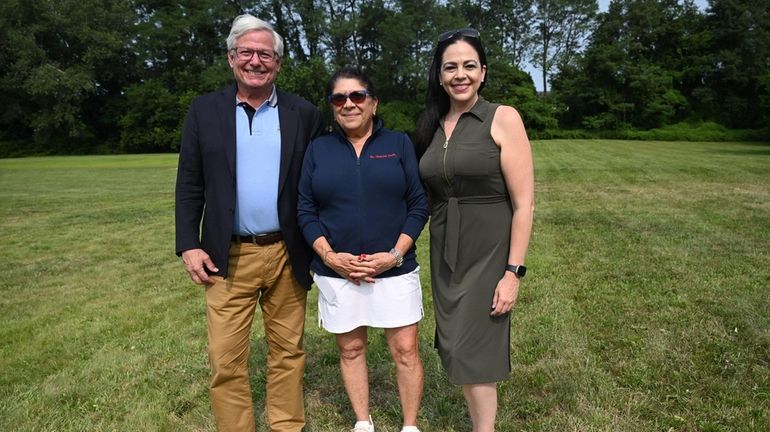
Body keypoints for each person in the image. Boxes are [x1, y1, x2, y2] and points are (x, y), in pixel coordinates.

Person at [174, 14, 322, 432]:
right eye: (246, 52)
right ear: (231, 58)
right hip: (226, 254)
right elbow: (189, 182)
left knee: (288, 351)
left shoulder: (304, 113)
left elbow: (317, 183)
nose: (255, 61)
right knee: (226, 359)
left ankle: (287, 425)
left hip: (287, 252)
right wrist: (189, 243)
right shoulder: (204, 111)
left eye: (265, 54)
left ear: (278, 62)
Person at [414, 28, 535, 432]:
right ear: (439, 75)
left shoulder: (502, 117)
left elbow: (524, 204)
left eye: (469, 66)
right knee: (453, 346)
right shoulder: (431, 125)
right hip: (446, 252)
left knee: (472, 348)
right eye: (451, 67)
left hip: (489, 252)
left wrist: (512, 273)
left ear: (483, 72)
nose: (460, 74)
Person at [297, 67, 429, 432]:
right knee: (351, 349)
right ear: (332, 106)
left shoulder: (399, 144)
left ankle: (410, 425)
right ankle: (362, 422)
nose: (349, 104)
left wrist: (394, 254)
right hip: (338, 271)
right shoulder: (318, 149)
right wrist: (329, 257)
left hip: (395, 268)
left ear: (373, 102)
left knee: (405, 351)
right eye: (339, 98)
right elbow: (305, 209)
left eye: (357, 96)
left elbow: (418, 204)